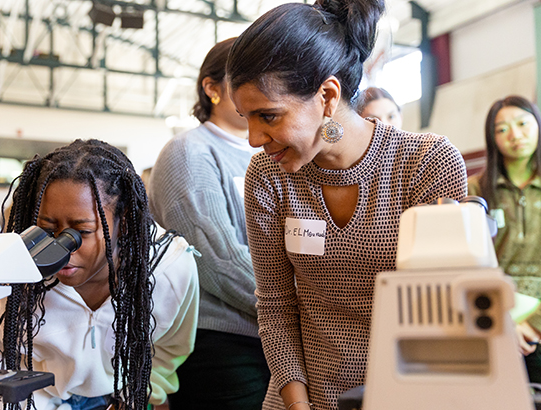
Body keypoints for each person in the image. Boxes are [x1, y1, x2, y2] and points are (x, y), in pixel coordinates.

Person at [225, 2, 467, 410]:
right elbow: (276, 307)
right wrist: (298, 404)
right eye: (244, 117)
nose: (252, 138)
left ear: (327, 95)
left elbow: (444, 311)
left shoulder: (426, 164)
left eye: (267, 116)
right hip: (301, 396)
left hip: (410, 393)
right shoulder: (267, 177)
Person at [0, 139, 199, 410]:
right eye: (47, 228)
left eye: (80, 232)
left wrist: (137, 397)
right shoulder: (14, 271)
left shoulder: (169, 268)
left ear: (123, 222)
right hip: (34, 399)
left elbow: (168, 350)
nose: (61, 249)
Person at [149, 38, 269, 409]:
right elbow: (216, 260)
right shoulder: (190, 151)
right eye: (244, 77)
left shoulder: (270, 152)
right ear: (212, 89)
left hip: (273, 334)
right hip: (221, 342)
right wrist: (293, 302)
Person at [466, 95, 541, 381]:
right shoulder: (475, 188)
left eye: (523, 123)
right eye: (502, 129)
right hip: (494, 318)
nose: (515, 135)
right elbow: (468, 261)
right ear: (491, 137)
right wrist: (501, 323)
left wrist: (535, 325)